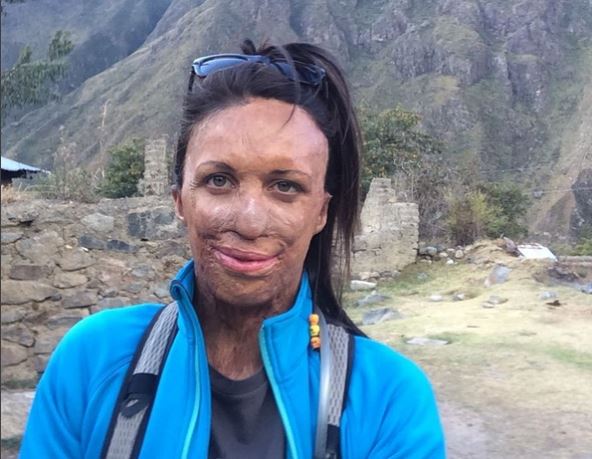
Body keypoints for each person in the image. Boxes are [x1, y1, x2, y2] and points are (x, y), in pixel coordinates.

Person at [21, 39, 445, 458]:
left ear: (320, 212)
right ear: (180, 200)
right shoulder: (94, 359)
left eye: (285, 186)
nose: (249, 222)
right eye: (219, 180)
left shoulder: (388, 401)